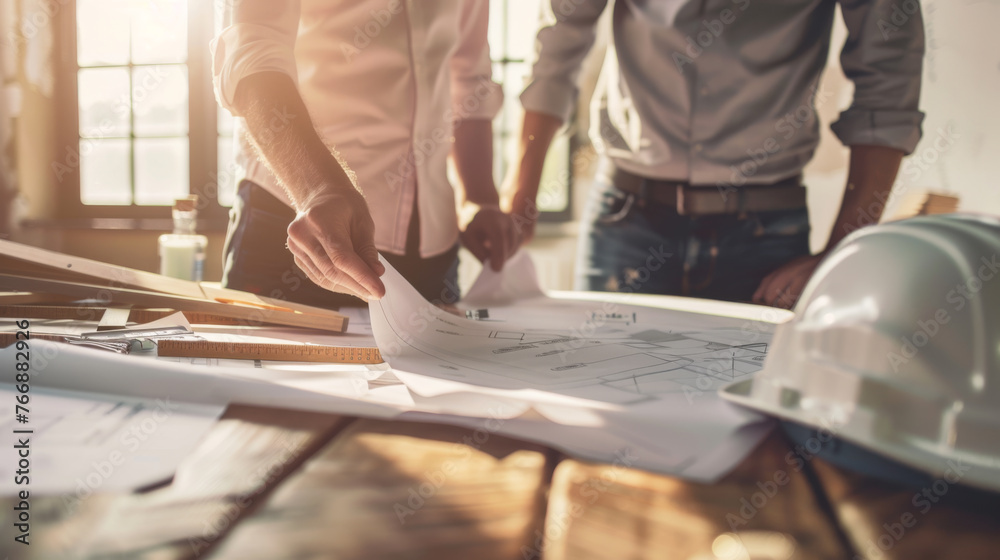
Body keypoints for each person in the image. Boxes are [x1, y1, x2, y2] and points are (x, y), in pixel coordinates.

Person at [505, 0, 924, 308]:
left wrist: (840, 255)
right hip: (625, 223)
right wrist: (521, 191)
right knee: (599, 403)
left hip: (766, 237)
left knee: (758, 412)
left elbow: (889, 82)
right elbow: (557, 45)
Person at [211, 0, 520, 308]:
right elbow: (252, 55)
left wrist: (479, 195)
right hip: (297, 229)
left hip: (433, 248)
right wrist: (318, 188)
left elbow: (469, 78)